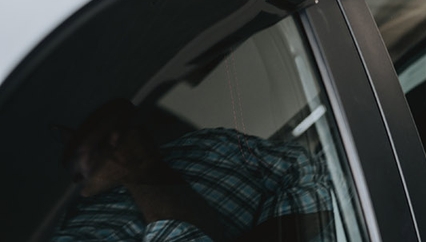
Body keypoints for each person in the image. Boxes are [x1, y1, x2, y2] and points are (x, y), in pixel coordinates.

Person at [57, 99, 334, 242]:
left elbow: (325, 180)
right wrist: (139, 171)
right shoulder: (62, 233)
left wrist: (143, 169)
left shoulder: (209, 146)